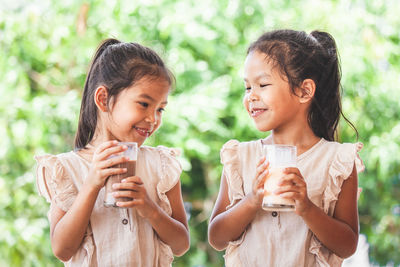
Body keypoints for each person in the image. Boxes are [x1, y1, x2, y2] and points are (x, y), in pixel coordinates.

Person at [208, 29, 364, 266]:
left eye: (262, 84)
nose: (251, 96)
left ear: (304, 91)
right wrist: (252, 200)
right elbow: (216, 237)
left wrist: (307, 208)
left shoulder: (337, 161)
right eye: (247, 87)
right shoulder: (240, 157)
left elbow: (347, 245)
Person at [35, 39, 190, 266]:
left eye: (160, 109)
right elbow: (62, 249)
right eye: (144, 104)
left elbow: (181, 244)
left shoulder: (161, 165)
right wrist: (91, 185)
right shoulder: (67, 169)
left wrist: (149, 208)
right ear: (103, 99)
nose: (153, 119)